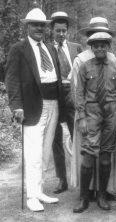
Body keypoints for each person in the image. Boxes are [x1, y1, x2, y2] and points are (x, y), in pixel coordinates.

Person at [5, 8, 62, 212]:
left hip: (53, 103)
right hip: (31, 106)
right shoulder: (18, 49)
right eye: (35, 24)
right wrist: (16, 106)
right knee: (33, 152)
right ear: (27, 26)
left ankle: (39, 191)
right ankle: (31, 196)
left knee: (45, 151)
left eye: (42, 25)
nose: (39, 28)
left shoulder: (49, 47)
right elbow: (11, 80)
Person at [70, 17, 116, 201]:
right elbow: (78, 93)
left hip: (111, 111)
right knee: (88, 154)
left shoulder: (115, 65)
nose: (100, 48)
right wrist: (82, 117)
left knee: (106, 154)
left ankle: (102, 195)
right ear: (91, 46)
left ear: (108, 46)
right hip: (92, 112)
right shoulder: (84, 65)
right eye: (96, 45)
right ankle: (85, 196)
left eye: (104, 45)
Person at [50, 11, 82, 194]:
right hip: (54, 95)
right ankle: (62, 179)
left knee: (76, 135)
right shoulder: (46, 48)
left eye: (64, 31)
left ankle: (81, 178)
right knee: (55, 138)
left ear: (68, 31)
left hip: (72, 96)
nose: (61, 34)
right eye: (58, 31)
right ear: (52, 30)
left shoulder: (76, 48)